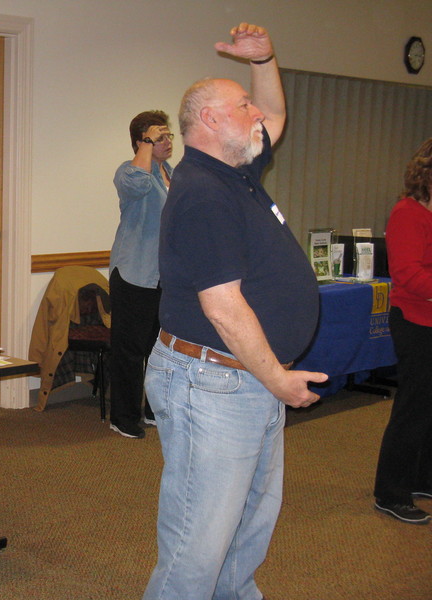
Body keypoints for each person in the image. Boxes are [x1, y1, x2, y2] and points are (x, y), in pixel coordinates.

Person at [142, 23, 328, 599]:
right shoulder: (201, 192)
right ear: (211, 122)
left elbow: (274, 113)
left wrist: (264, 58)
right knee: (196, 550)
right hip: (214, 382)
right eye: (242, 105)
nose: (256, 114)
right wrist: (278, 379)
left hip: (243, 379)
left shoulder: (237, 170)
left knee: (244, 536)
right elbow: (223, 308)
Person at [373, 138, 432, 525]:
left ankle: (421, 478)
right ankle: (390, 491)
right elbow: (408, 275)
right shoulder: (407, 213)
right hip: (415, 322)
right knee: (413, 408)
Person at [108, 111, 174, 439]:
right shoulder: (131, 172)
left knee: (159, 351)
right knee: (129, 353)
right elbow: (135, 184)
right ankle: (122, 417)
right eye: (157, 137)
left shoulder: (170, 174)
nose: (167, 142)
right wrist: (144, 150)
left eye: (168, 135)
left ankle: (152, 410)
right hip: (134, 275)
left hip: (164, 278)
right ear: (141, 142)